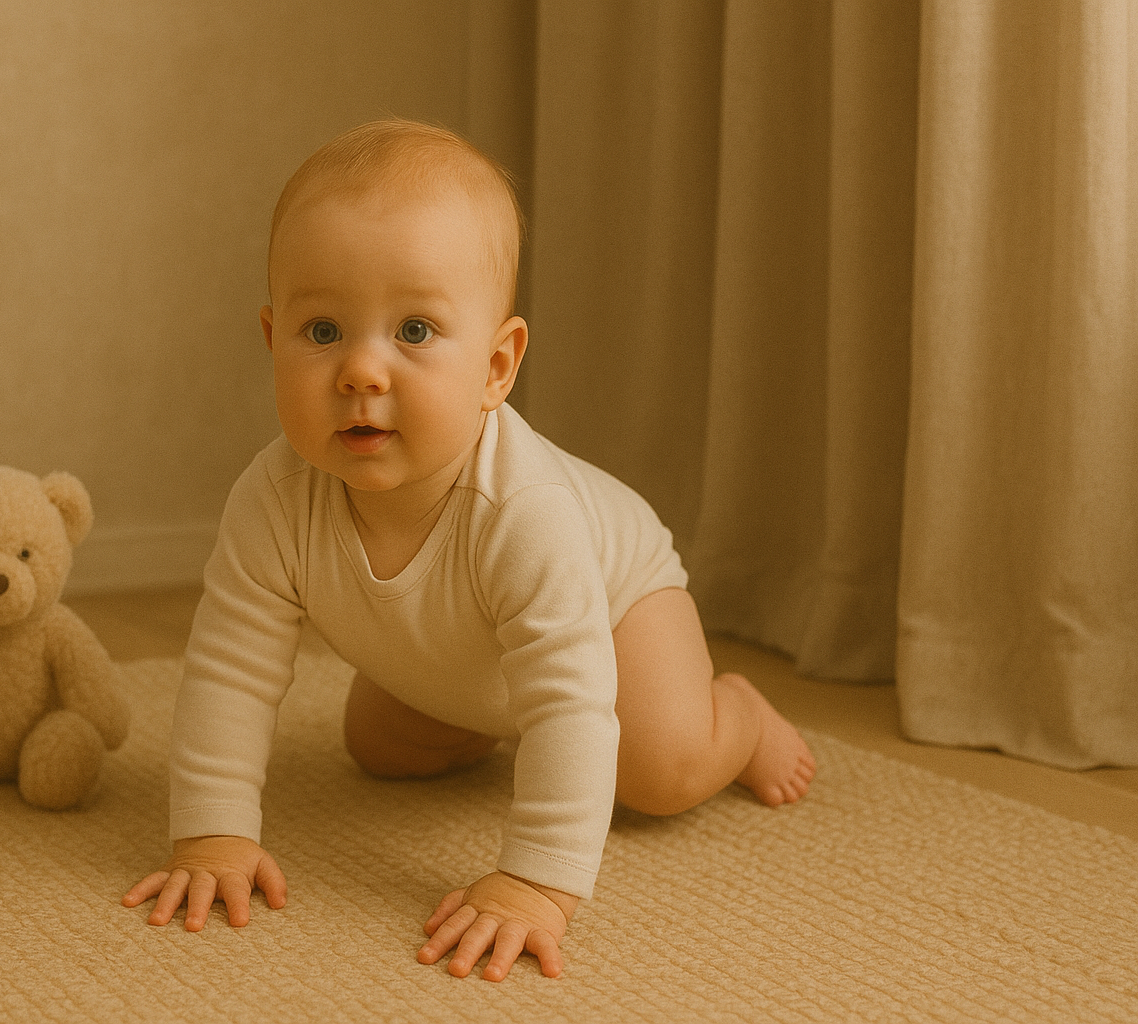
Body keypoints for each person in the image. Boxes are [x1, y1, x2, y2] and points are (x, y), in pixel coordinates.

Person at [123, 118, 816, 982]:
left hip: (615, 604)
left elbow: (569, 703)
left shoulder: (525, 512)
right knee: (380, 747)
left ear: (496, 366)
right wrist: (214, 830)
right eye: (323, 331)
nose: (361, 373)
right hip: (465, 650)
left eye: (414, 332)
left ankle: (739, 715)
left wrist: (534, 884)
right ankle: (489, 717)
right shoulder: (270, 501)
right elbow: (231, 667)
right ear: (272, 342)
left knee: (658, 773)